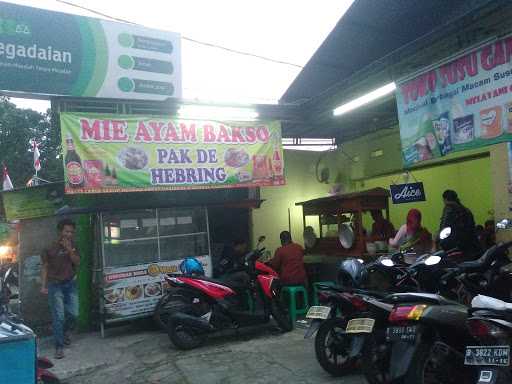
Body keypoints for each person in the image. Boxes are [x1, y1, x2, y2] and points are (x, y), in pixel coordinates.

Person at [41, 218, 80, 359]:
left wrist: (70, 250)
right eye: (66, 231)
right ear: (60, 231)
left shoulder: (74, 244)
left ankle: (64, 333)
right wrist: (43, 285)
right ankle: (59, 346)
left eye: (71, 232)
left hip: (71, 284)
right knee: (59, 317)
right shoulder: (49, 246)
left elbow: (77, 262)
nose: (69, 234)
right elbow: (45, 267)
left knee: (74, 314)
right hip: (55, 285)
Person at [439, 190, 481, 258]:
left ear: (445, 199)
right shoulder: (466, 210)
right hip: (471, 246)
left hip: (455, 247)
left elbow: (444, 227)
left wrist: (439, 240)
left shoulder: (449, 209)